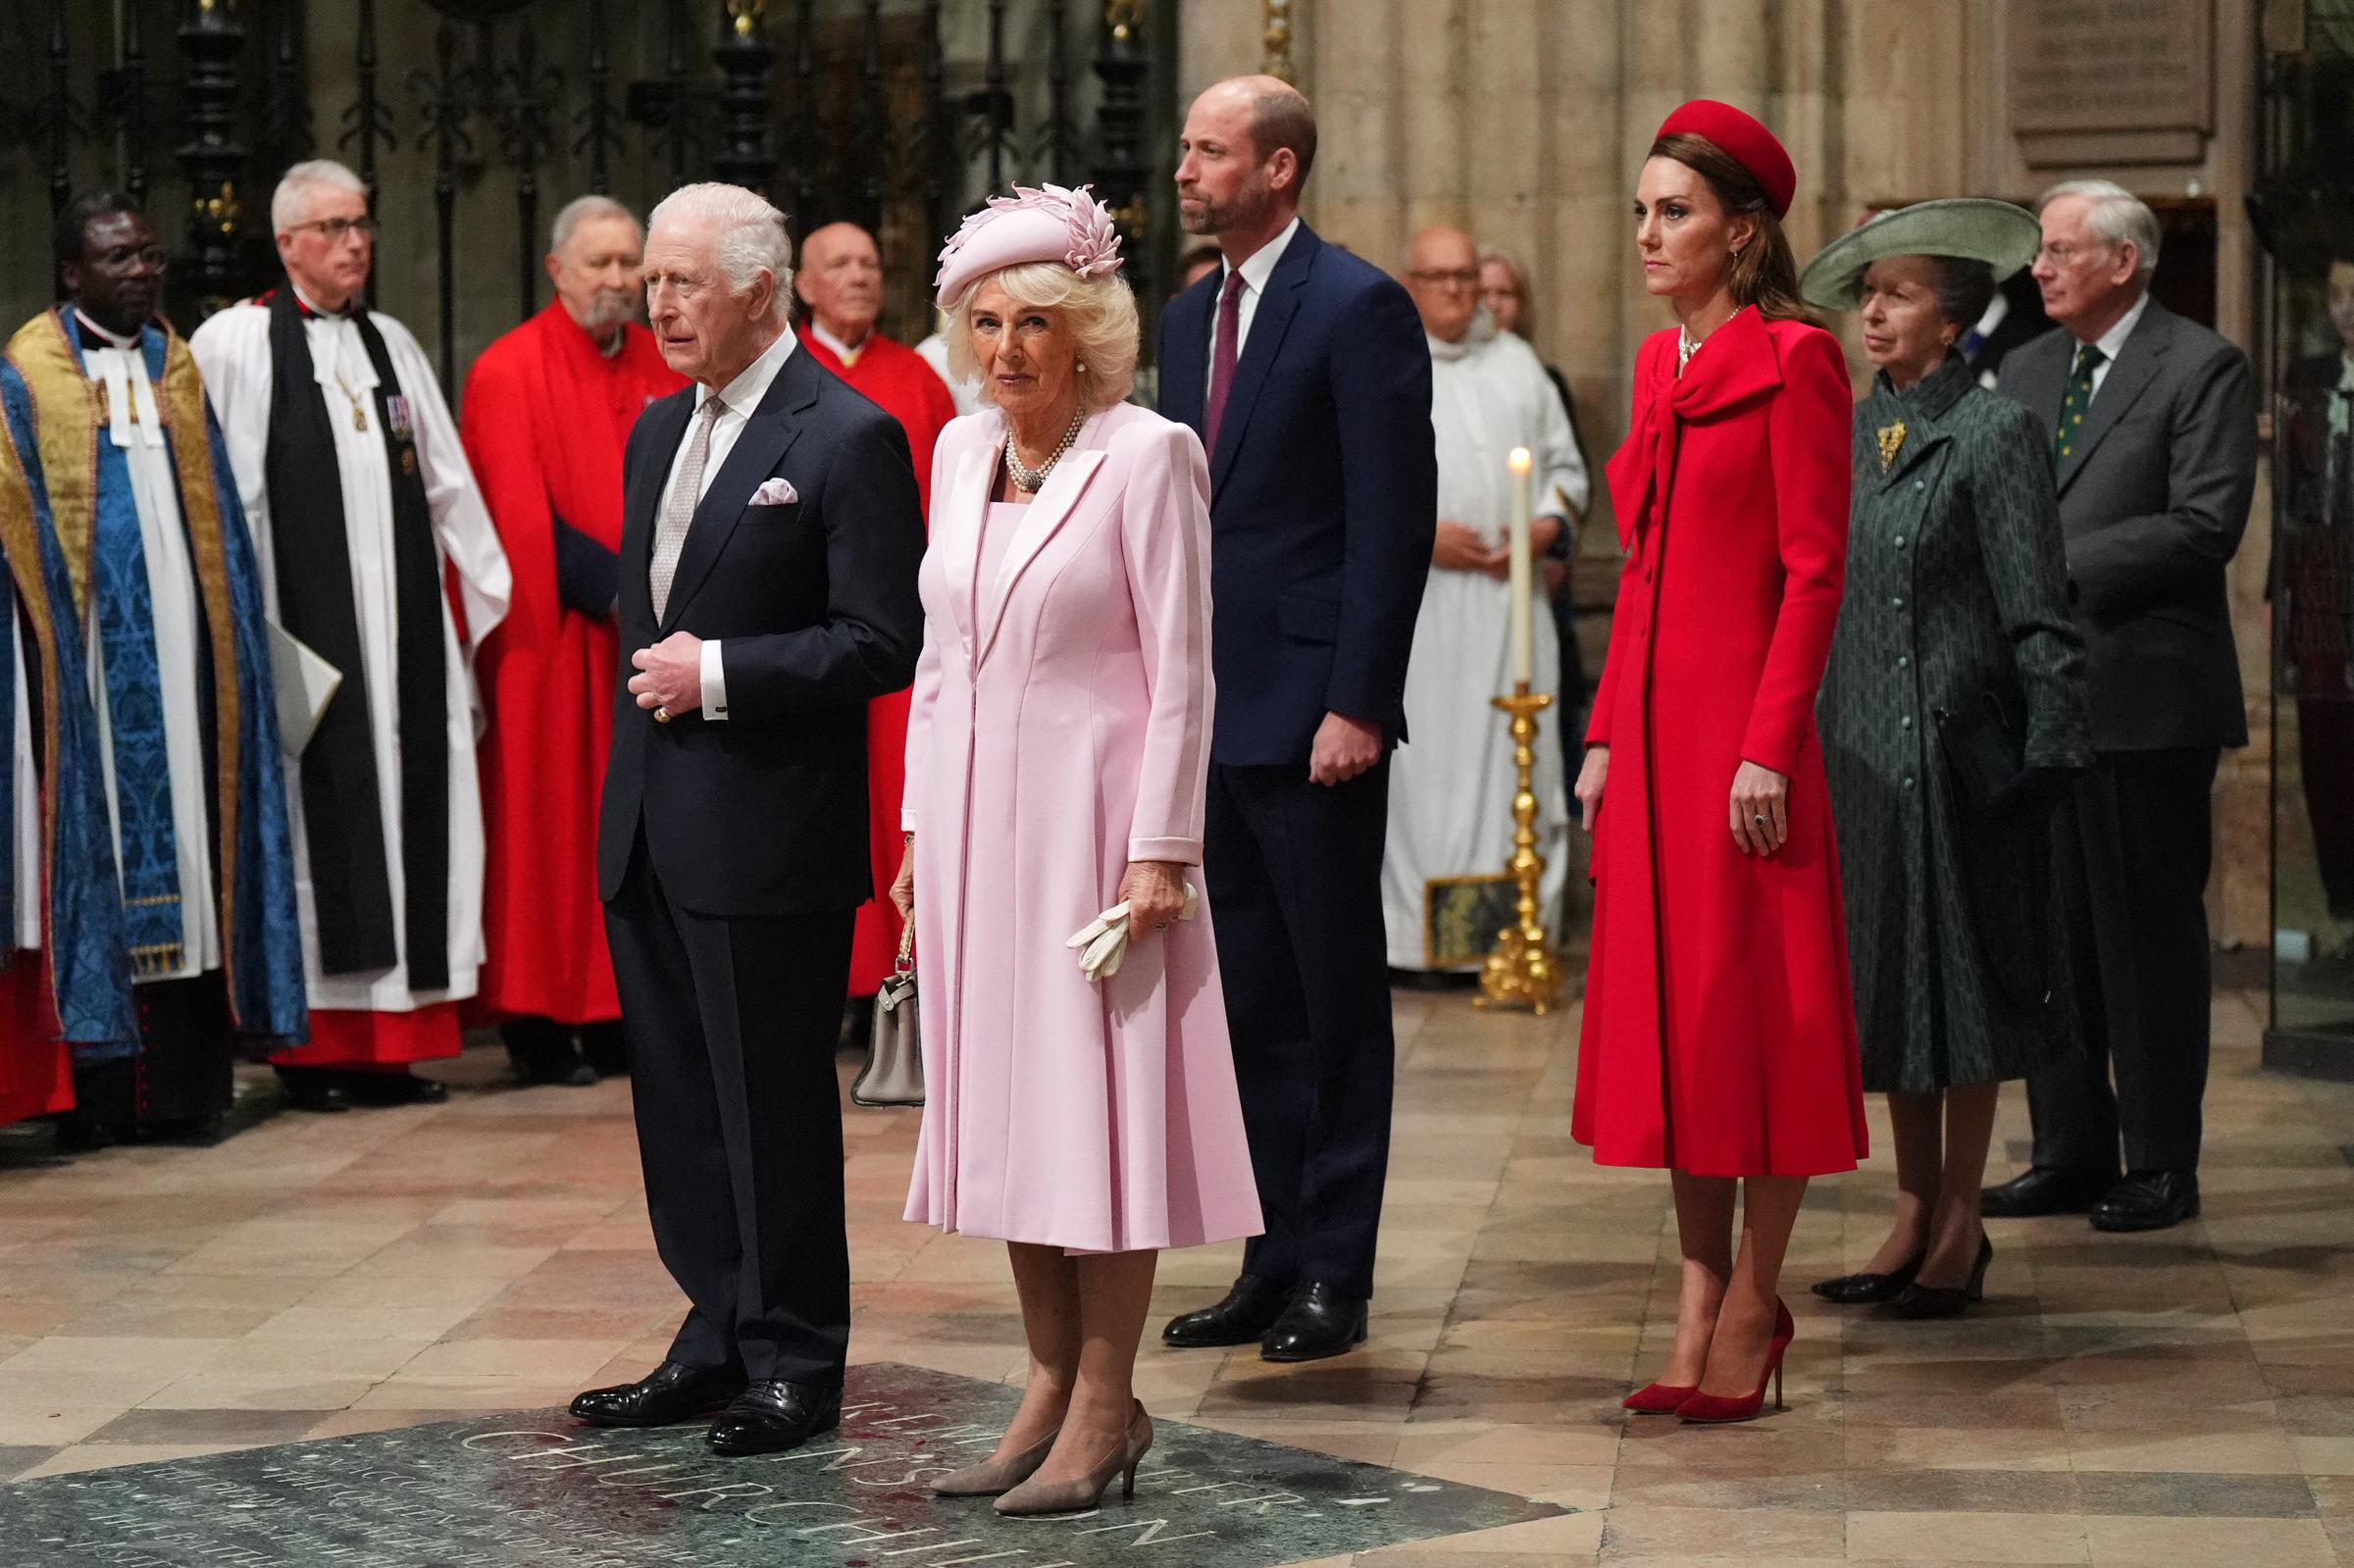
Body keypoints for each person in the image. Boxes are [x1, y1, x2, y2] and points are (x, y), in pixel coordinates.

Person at [893, 181, 1261, 1517]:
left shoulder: (1146, 452)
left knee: (1098, 1119)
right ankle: (1046, 1382)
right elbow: (942, 660)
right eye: (986, 321)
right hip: (983, 830)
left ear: (1088, 329)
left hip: (1100, 836)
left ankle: (1107, 1403)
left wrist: (1161, 848)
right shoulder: (953, 451)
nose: (1008, 348)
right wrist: (922, 831)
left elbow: (1183, 669)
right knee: (1007, 1112)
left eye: (1036, 322)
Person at [568, 183, 924, 1457]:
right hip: (655, 822)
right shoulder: (658, 432)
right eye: (651, 280)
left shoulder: (846, 433)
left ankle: (795, 1350)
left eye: (681, 282)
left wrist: (719, 673)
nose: (654, 303)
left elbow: (884, 638)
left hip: (770, 828)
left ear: (762, 292)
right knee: (680, 1102)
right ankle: (713, 1327)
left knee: (771, 1106)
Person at [1575, 100, 1863, 1423]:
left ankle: (1754, 1293)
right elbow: (1639, 568)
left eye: (1673, 211)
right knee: (1685, 1025)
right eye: (1640, 210)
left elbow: (1813, 572)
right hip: (1650, 739)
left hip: (1745, 748)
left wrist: (1767, 747)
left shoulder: (1799, 360)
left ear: (1741, 231)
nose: (1648, 232)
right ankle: (1690, 1300)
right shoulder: (1656, 364)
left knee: (1763, 1019)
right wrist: (1598, 737)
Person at [1155, 76, 1436, 1362]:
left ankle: (1337, 1266)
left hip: (1313, 711)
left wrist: (1359, 701)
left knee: (1331, 1004)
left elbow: (1391, 518)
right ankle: (1266, 1256)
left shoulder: (1357, 305)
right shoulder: (1184, 316)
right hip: (1210, 711)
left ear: (1277, 168)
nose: (1185, 169)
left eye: (1210, 152)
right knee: (1248, 1006)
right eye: (1186, 150)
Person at [1797, 201, 2091, 1319]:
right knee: (1891, 994)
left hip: (1961, 762)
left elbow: (2039, 611)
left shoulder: (1995, 429)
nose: (1874, 311)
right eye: (1869, 292)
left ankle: (1961, 1219)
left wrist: (2053, 753)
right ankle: (1911, 1205)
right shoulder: (1846, 433)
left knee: (1964, 992)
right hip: (1860, 759)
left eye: (1901, 292)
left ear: (1955, 315)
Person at [190, 160, 510, 1114]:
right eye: (332, 227)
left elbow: (449, 488)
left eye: (362, 224)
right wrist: (251, 647)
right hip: (307, 649)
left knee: (412, 823)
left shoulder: (394, 346)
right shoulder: (238, 343)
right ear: (286, 243)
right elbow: (225, 506)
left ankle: (394, 1048)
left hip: (404, 641)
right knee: (317, 829)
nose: (355, 242)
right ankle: (314, 1051)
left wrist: (480, 615)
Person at [1980, 180, 2258, 1234]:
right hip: (2038, 696)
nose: (2040, 268)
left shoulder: (2200, 366)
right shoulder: (2025, 367)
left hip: (2147, 696)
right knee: (2052, 937)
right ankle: (2069, 1148)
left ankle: (2159, 1161)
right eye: (2041, 252)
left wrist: (2044, 562)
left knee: (2143, 940)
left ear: (2123, 261)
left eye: (2058, 251)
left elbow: (2203, 524)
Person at [0, 194, 307, 1144]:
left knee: (192, 842)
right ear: (72, 273)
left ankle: (185, 1092)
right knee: (108, 852)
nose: (144, 269)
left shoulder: (179, 365)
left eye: (150, 252)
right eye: (121, 256)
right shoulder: (27, 374)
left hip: (188, 657)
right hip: (89, 666)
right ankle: (97, 1098)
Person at [463, 194, 683, 1088]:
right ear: (557, 270)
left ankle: (621, 1011)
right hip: (554, 643)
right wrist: (625, 595)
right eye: (601, 263)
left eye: (633, 262)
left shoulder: (663, 363)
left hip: (649, 636)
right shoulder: (507, 369)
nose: (621, 281)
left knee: (643, 830)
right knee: (550, 828)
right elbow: (518, 517)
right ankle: (539, 1015)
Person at [1384, 225, 1585, 975]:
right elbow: (1350, 481)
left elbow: (1565, 467)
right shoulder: (1386, 364)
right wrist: (1419, 535)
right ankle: (1414, 946)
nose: (1459, 292)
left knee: (1511, 771)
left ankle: (1508, 939)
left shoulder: (1518, 365)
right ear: (1411, 281)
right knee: (1423, 783)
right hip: (1423, 615)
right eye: (1440, 277)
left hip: (1509, 612)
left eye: (1467, 276)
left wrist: (1545, 524)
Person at [793, 221, 958, 1023]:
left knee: (901, 799)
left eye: (870, 263)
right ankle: (830, 984)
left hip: (905, 623)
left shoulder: (916, 377)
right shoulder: (784, 370)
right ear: (802, 283)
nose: (858, 277)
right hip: (807, 625)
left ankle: (899, 981)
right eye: (840, 264)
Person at [1480, 245, 1593, 764]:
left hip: (1528, 581)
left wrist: (1548, 536)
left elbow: (1570, 474)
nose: (1493, 304)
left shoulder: (1535, 376)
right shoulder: (1419, 366)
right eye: (1485, 292)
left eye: (1505, 293)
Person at [2275, 253, 2354, 922]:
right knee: (2325, 748)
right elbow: (2291, 495)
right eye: (2335, 294)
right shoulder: (2309, 376)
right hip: (2322, 586)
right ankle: (2341, 903)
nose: (2345, 307)